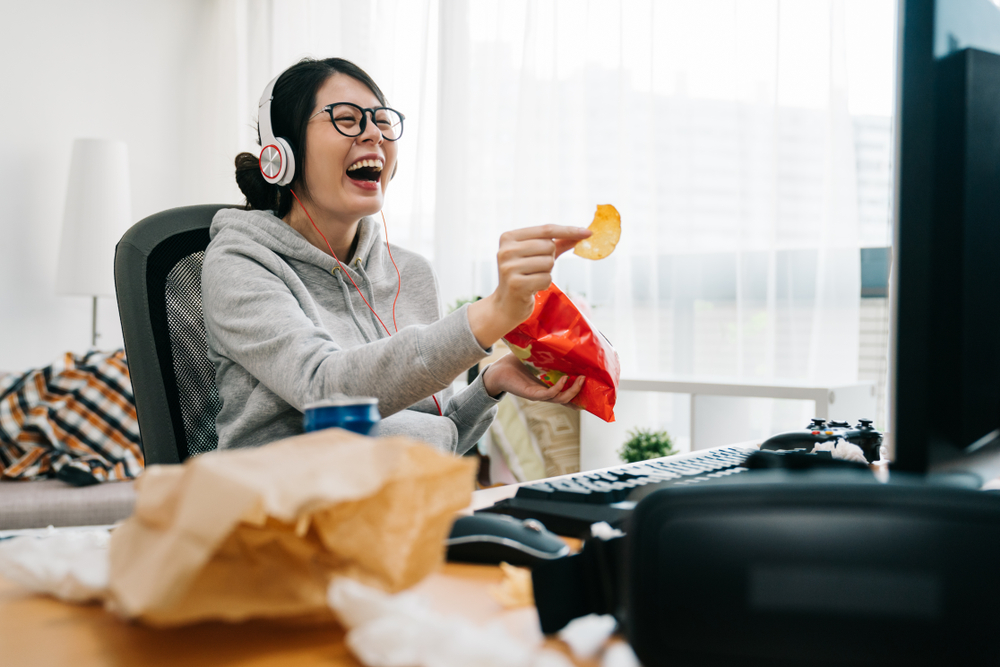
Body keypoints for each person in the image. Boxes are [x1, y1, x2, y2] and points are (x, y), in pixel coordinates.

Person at [202, 57, 591, 453]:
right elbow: (324, 389)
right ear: (281, 155)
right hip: (289, 507)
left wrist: (490, 385)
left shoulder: (410, 272)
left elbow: (438, 437)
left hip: (402, 501)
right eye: (347, 120)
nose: (374, 134)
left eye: (382, 120)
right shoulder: (240, 263)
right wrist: (490, 315)